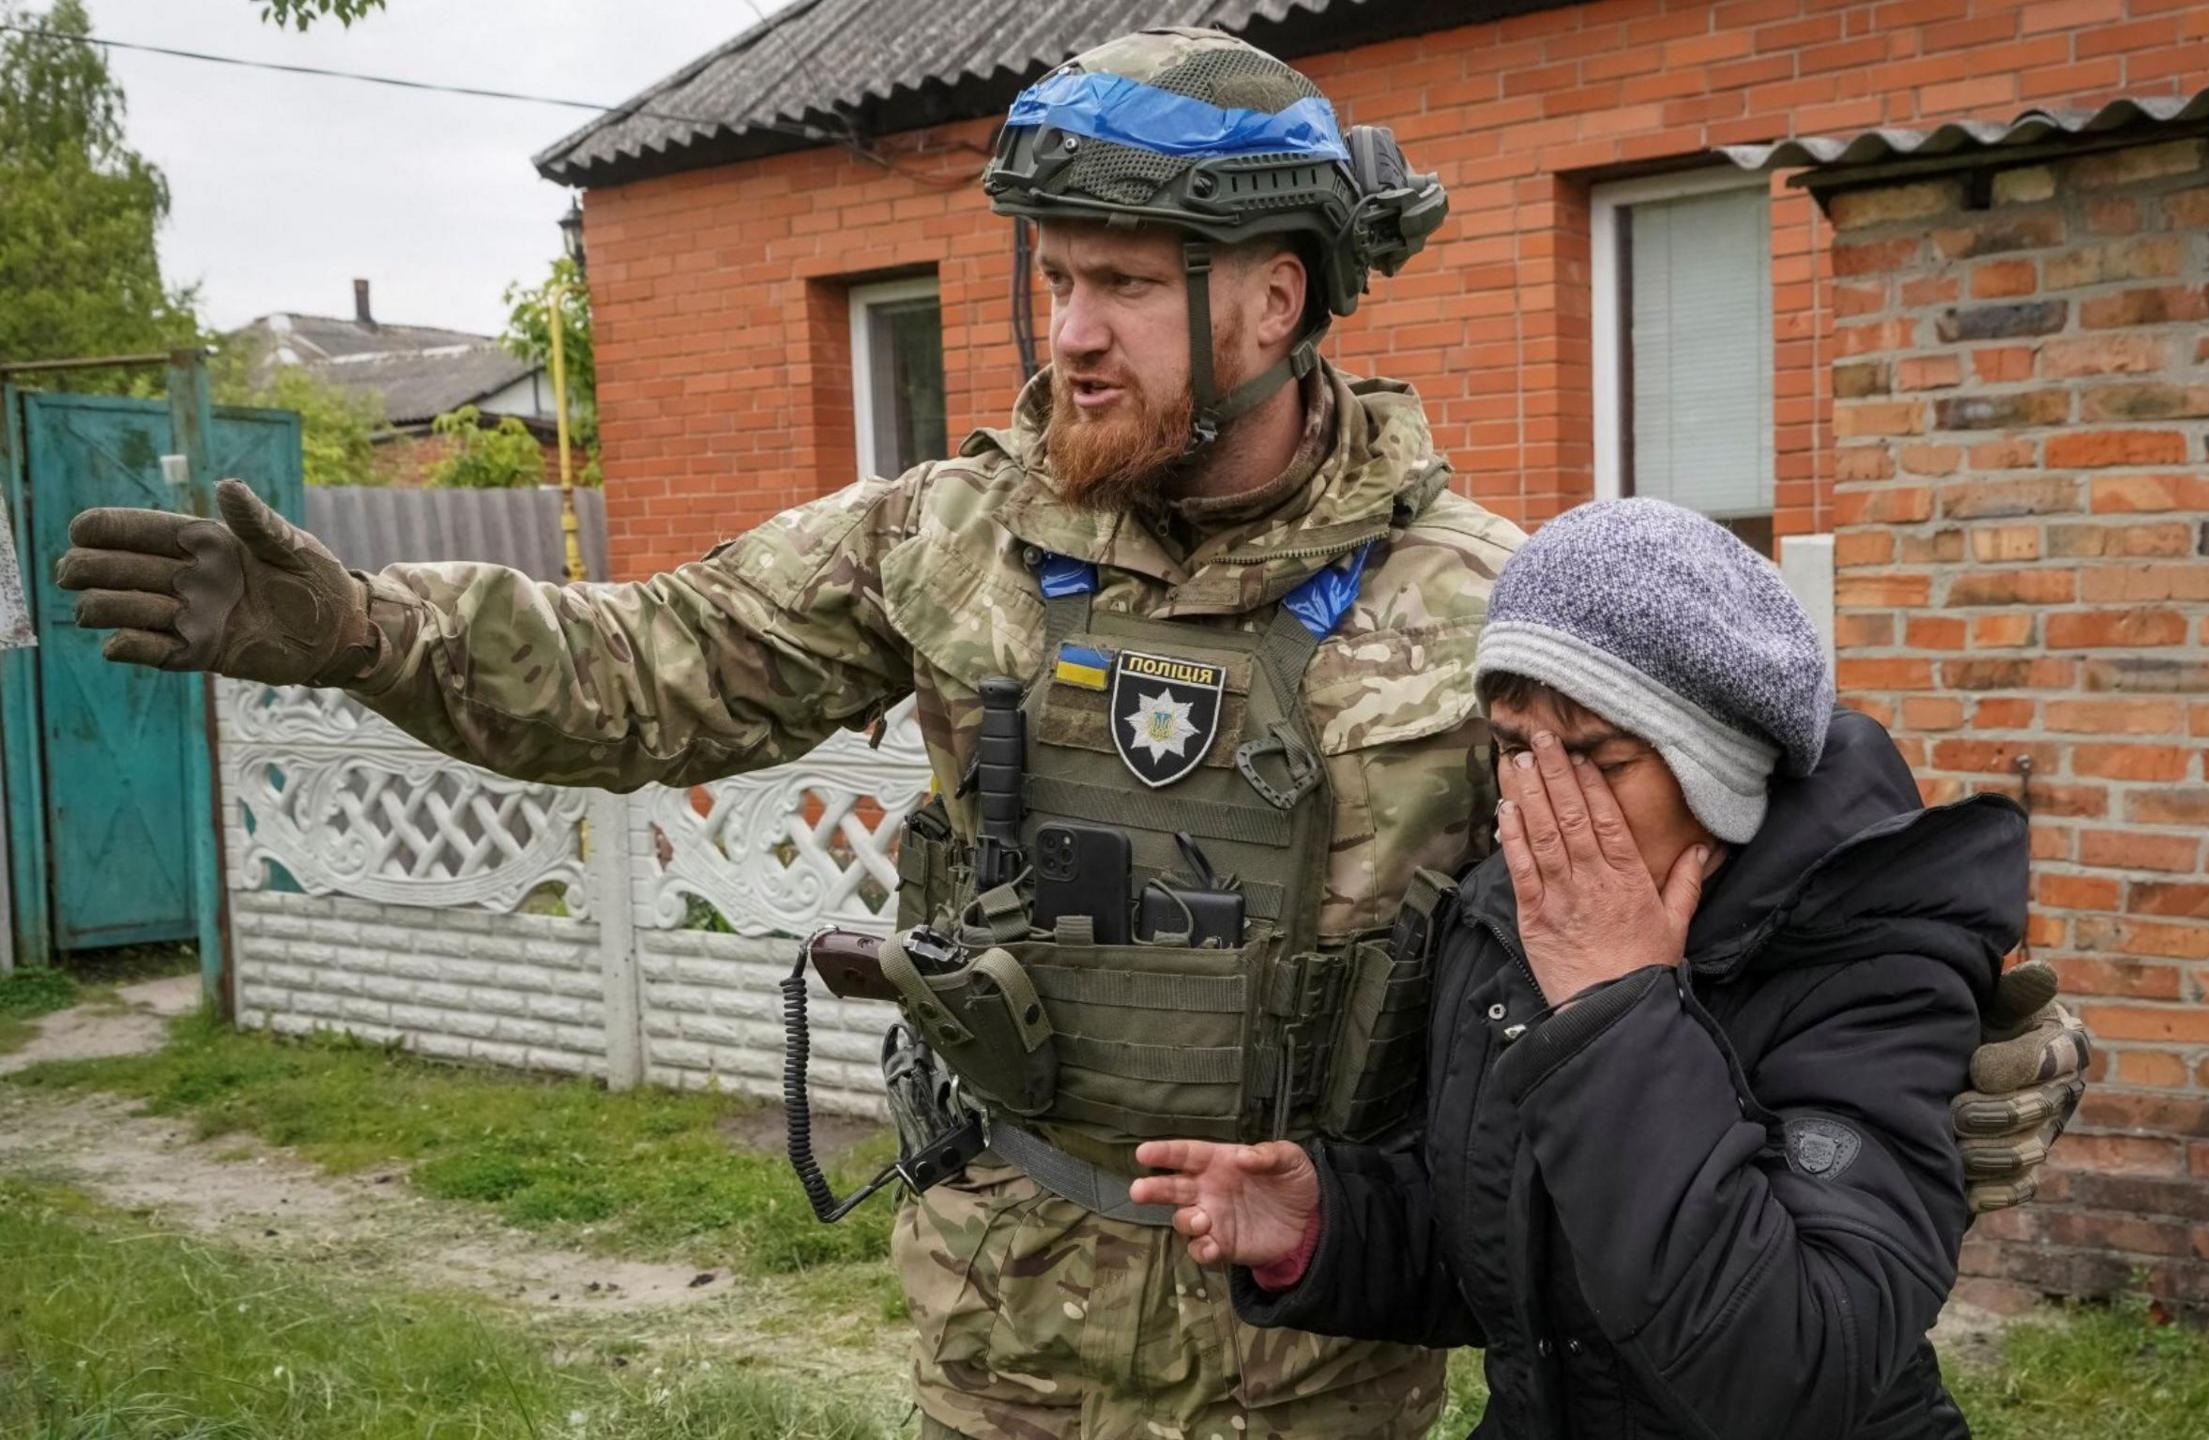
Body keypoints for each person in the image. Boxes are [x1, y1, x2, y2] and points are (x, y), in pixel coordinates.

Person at [52, 29, 2085, 1439]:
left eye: (1118, 283)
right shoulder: (947, 541)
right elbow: (648, 663)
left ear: (1276, 302)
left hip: (1319, 1358)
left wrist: (1972, 1053)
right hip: (1005, 1337)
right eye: (1052, 281)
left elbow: (1748, 861)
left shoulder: (1479, 605)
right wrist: (360, 626)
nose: (1063, 330)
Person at [1134, 498, 2031, 1439]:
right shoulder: (1509, 921)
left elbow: (1792, 1367)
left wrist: (1615, 1005)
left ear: (1716, 765)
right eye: (1517, 750)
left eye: (1599, 758)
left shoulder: (1869, 956)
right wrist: (1332, 1226)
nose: (1542, 797)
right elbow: (1523, 1258)